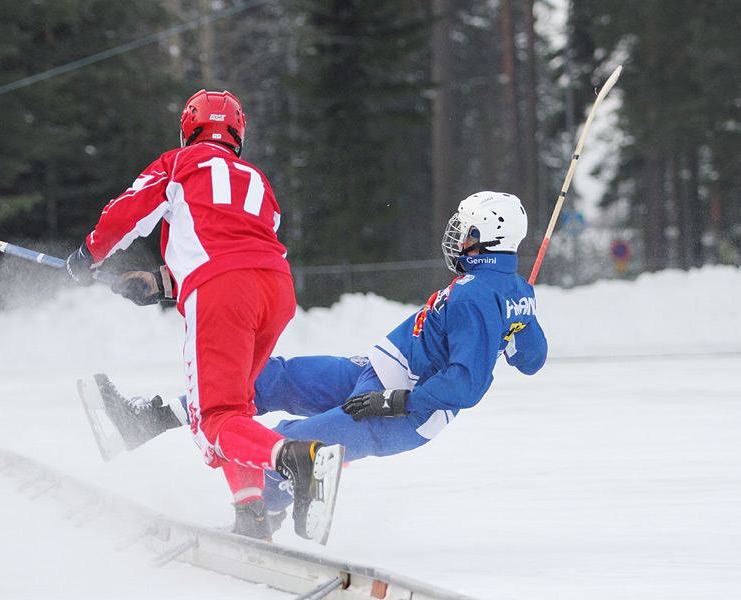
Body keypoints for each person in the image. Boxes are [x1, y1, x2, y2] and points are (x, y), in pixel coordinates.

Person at [81, 190, 549, 536]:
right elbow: (533, 358)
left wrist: (396, 400)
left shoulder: (475, 295)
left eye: (463, 230)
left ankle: (259, 515)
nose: (454, 237)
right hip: (373, 374)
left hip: (397, 411)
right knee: (266, 377)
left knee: (287, 444)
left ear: (486, 238)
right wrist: (516, 315)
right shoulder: (502, 292)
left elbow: (466, 385)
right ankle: (147, 419)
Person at [65, 90, 344, 545]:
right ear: (237, 134)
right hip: (275, 288)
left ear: (188, 128)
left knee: (215, 418)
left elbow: (126, 213)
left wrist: (88, 255)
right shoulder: (256, 178)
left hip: (223, 290)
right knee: (236, 409)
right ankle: (251, 513)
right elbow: (233, 243)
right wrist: (159, 283)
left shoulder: (178, 163)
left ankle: (297, 459)